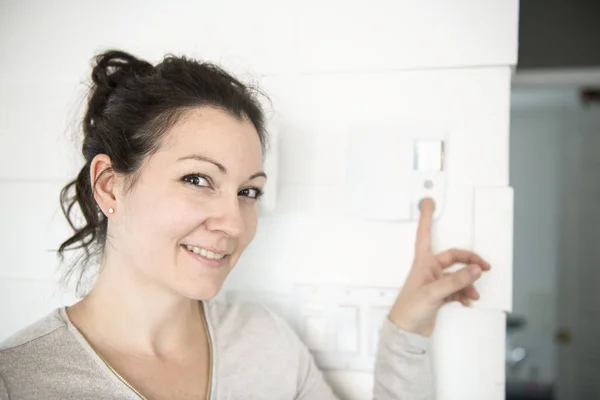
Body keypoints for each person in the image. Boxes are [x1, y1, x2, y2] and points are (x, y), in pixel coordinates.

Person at [0, 50, 490, 400]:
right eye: (197, 178)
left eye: (248, 191)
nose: (234, 222)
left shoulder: (266, 344)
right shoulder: (20, 380)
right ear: (109, 185)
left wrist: (406, 329)